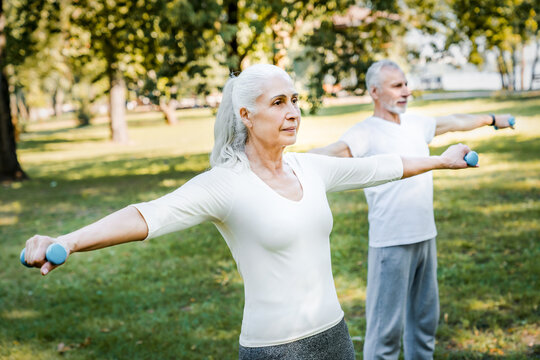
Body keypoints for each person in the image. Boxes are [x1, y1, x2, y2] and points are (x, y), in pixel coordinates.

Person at [22, 64, 473, 360]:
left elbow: (383, 167)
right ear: (246, 116)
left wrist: (440, 159)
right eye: (278, 103)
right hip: (273, 348)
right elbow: (147, 215)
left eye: (295, 100)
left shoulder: (309, 168)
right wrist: (65, 242)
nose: (293, 112)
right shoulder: (226, 184)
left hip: (335, 337)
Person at [310, 60, 515, 359]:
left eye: (406, 83)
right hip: (390, 243)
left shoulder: (416, 123)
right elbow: (332, 152)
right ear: (375, 92)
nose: (406, 91)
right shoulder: (365, 132)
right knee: (385, 334)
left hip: (425, 237)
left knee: (424, 325)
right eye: (397, 86)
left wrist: (492, 118)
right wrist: (288, 162)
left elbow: (455, 120)